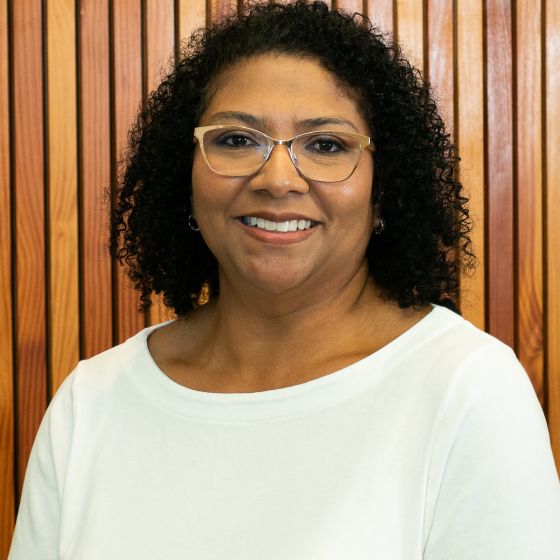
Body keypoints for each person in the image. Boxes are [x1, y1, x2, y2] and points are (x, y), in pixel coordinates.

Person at [9, 1, 560, 558]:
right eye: (236, 140)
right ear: (186, 178)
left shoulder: (467, 392)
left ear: (383, 190)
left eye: (326, 145)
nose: (277, 180)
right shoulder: (91, 404)